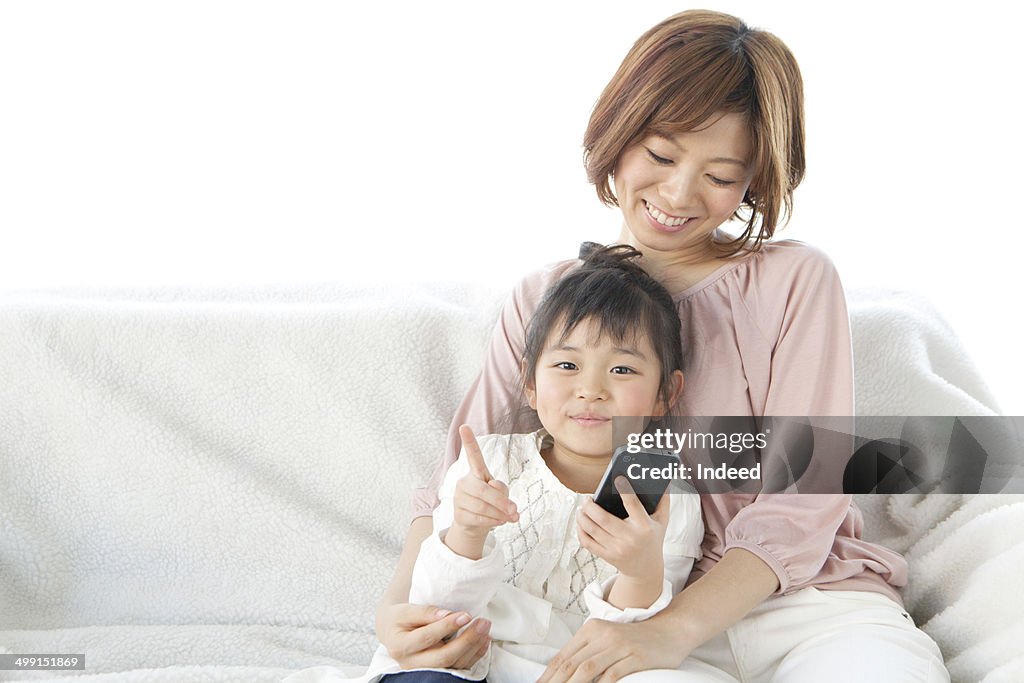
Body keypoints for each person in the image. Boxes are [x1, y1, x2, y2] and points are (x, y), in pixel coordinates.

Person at [376, 9, 950, 683]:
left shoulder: (794, 280)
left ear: (754, 178)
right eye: (661, 154)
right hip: (625, 613)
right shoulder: (545, 298)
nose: (679, 193)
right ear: (617, 135)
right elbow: (459, 473)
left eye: (721, 173)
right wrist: (396, 610)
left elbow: (805, 496)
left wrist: (673, 631)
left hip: (809, 607)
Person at [289, 246, 704, 683]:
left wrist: (641, 571)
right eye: (567, 364)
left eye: (622, 370)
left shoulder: (669, 501)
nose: (591, 389)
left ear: (665, 394)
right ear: (529, 383)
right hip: (462, 662)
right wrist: (466, 533)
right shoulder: (490, 463)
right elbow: (433, 601)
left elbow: (632, 644)